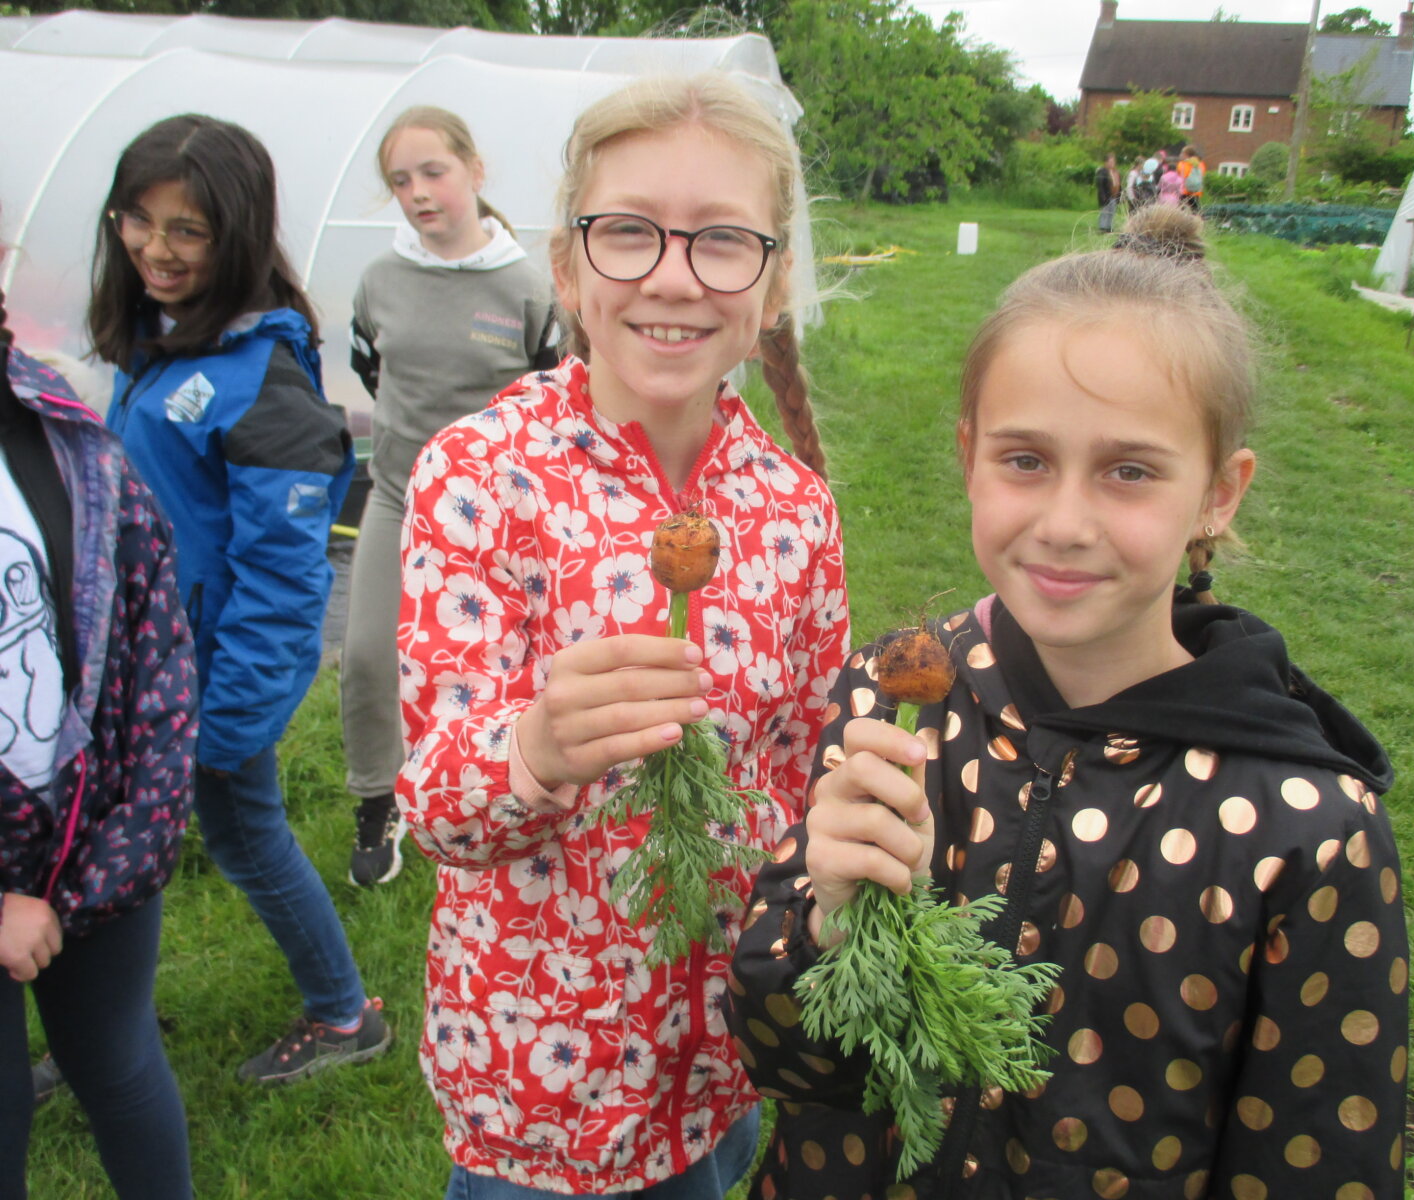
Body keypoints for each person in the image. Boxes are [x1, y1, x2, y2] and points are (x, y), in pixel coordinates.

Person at [727, 225, 1409, 1199]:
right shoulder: (893, 698)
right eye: (1025, 460)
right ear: (968, 456)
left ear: (1218, 493)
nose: (1063, 522)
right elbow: (790, 1064)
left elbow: (1315, 1158)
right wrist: (828, 928)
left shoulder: (1305, 827)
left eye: (1129, 470)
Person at [394, 73, 850, 1197]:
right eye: (629, 233)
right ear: (567, 265)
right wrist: (536, 746)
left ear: (773, 279)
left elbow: (797, 769)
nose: (673, 277)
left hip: (720, 1061)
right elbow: (438, 806)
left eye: (722, 242)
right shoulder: (480, 477)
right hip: (536, 1079)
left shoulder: (794, 508)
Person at [91, 114, 391, 1086]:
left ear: (238, 234)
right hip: (140, 663)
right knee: (136, 839)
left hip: (206, 684)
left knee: (245, 834)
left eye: (188, 230)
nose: (156, 249)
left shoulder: (261, 381)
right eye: (139, 221)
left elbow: (284, 578)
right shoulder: (163, 340)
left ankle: (345, 1017)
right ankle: (105, 1024)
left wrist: (225, 726)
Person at [0, 286, 196, 1197]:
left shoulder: (63, 428)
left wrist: (122, 844)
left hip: (87, 837)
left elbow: (152, 640)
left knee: (117, 1067)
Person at [343, 106, 559, 888]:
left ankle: (502, 795)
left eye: (432, 172)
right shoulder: (379, 282)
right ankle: (378, 799)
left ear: (474, 170)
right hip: (399, 493)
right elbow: (373, 374)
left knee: (497, 667)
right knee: (370, 653)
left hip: (494, 509)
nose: (417, 193)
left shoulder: (526, 287)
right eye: (400, 181)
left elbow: (550, 388)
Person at [1094, 153, 1120, 234]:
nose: (1112, 163)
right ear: (1106, 162)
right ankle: (1103, 227)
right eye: (1110, 162)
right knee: (1105, 212)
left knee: (1112, 212)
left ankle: (1109, 227)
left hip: (1114, 195)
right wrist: (1103, 196)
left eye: (1113, 162)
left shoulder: (1115, 172)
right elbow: (1100, 185)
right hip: (1106, 195)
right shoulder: (1102, 172)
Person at [1178, 144, 1207, 214]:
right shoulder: (1201, 164)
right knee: (1196, 211)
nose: (1180, 155)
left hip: (1184, 190)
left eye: (1182, 153)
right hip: (1196, 190)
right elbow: (1202, 175)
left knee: (1181, 211)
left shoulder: (1182, 164)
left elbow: (1181, 176)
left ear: (1186, 154)